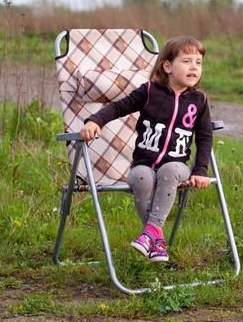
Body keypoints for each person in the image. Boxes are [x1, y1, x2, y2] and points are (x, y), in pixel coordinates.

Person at [80, 36, 213, 262]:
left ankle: (150, 232)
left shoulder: (199, 101)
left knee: (169, 169)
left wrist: (200, 169)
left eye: (198, 62)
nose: (194, 67)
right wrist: (94, 121)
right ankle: (157, 240)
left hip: (177, 166)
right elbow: (119, 107)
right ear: (168, 66)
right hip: (143, 164)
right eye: (187, 61)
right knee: (142, 176)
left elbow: (204, 136)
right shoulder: (150, 91)